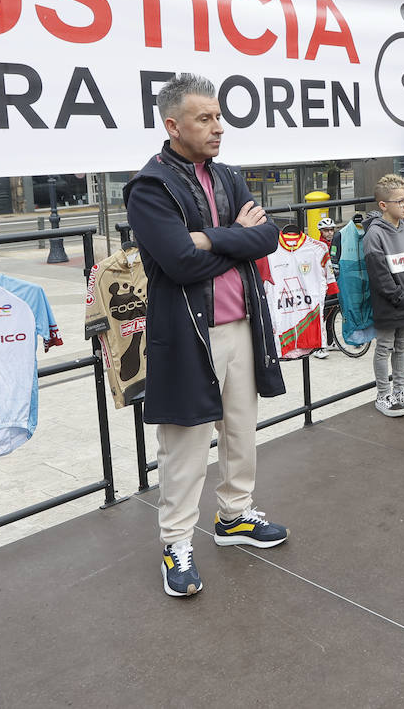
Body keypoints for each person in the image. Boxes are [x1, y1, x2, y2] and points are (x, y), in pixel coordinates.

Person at [124, 74, 289, 599]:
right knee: (185, 446)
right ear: (172, 125)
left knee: (241, 431)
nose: (220, 126)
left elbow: (267, 237)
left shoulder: (229, 176)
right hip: (188, 334)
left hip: (242, 325)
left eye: (219, 116)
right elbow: (177, 261)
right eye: (206, 118)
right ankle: (176, 543)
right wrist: (234, 240)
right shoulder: (150, 187)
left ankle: (234, 516)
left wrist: (209, 239)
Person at [363, 174, 404, 417]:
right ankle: (383, 395)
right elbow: (380, 276)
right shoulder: (375, 235)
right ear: (383, 205)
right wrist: (401, 298)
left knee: (401, 346)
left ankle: (400, 390)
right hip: (391, 305)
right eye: (399, 201)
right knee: (384, 347)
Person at [310, 217, 338, 360]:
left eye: (331, 229)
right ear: (321, 231)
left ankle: (330, 341)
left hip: (332, 282)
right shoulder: (317, 246)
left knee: (331, 313)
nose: (329, 233)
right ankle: (317, 347)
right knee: (321, 315)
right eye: (326, 230)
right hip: (321, 284)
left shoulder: (334, 243)